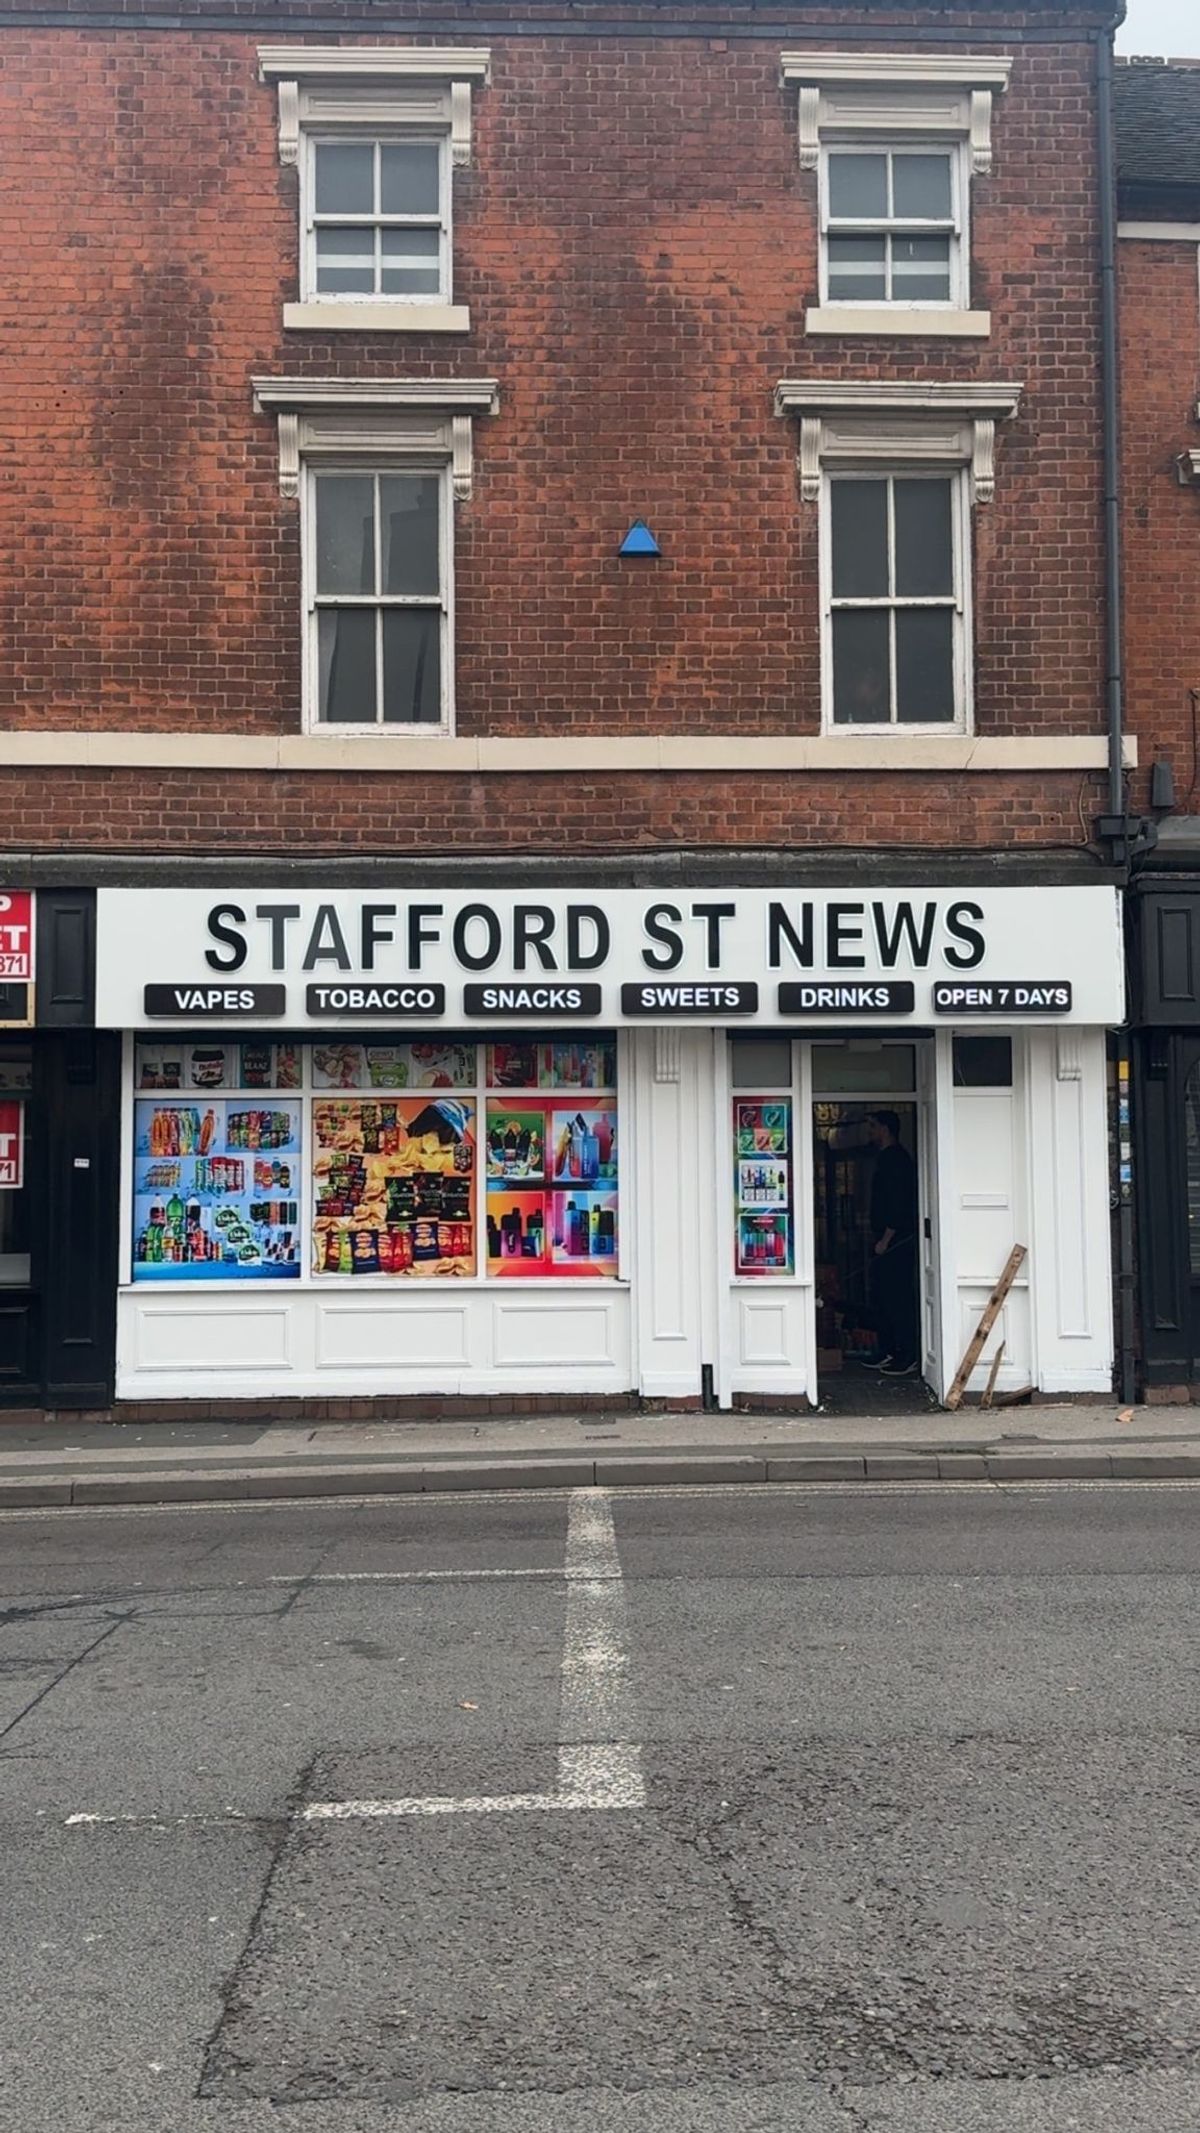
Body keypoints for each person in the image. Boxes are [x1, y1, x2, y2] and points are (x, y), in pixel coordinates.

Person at [864, 1110, 919, 1376]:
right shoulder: (888, 1158)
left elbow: (897, 1205)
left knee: (897, 1298)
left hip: (896, 1242)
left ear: (885, 1129)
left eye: (873, 1127)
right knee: (883, 1297)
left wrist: (886, 1239)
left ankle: (906, 1353)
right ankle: (888, 1349)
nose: (870, 1132)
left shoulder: (896, 1161)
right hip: (888, 1239)